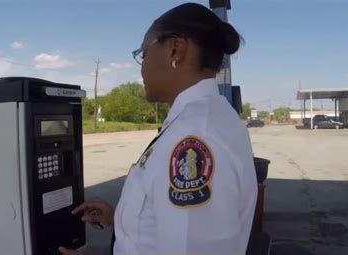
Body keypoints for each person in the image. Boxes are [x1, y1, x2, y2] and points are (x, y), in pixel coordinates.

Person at [59, 2, 257, 255]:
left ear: (176, 50)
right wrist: (122, 219)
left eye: (144, 53)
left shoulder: (194, 136)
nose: (141, 66)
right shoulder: (207, 116)